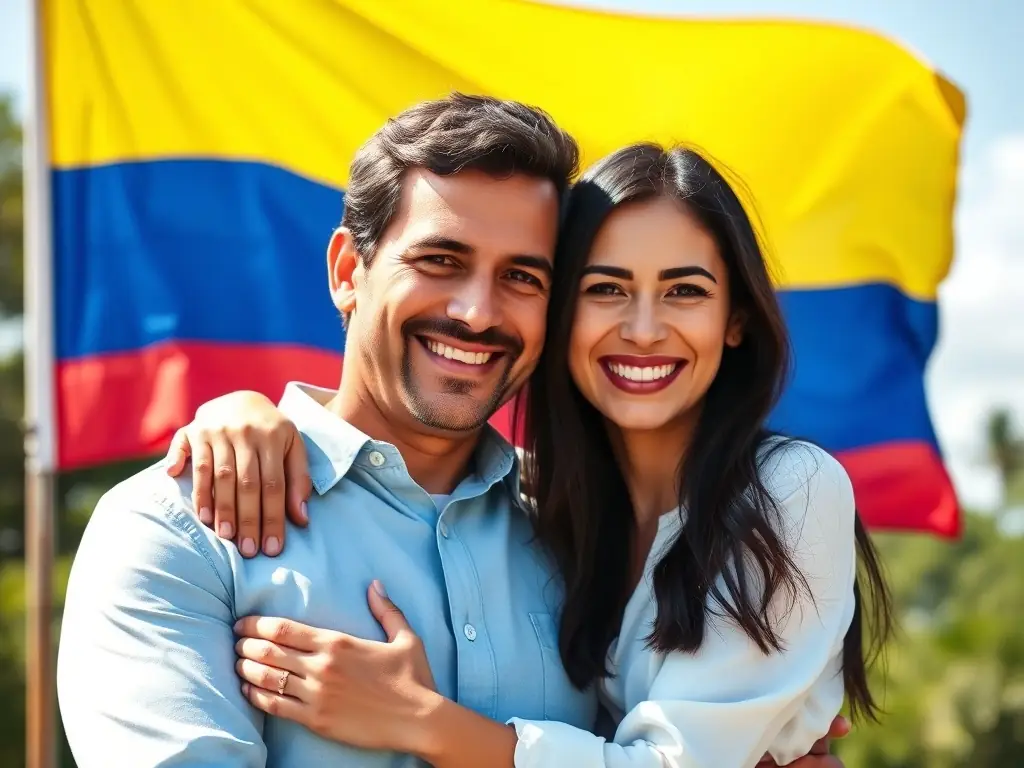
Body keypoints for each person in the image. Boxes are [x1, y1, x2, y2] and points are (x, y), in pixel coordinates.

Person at [165, 141, 888, 766]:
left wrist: (419, 720)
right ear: (560, 314)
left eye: (684, 292)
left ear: (735, 319)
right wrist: (241, 412)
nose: (642, 329)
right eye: (605, 289)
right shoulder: (540, 507)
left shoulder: (787, 489)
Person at [58, 93, 594, 768]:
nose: (477, 312)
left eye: (521, 277)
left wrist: (429, 726)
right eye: (440, 261)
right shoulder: (171, 526)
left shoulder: (587, 531)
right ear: (348, 271)